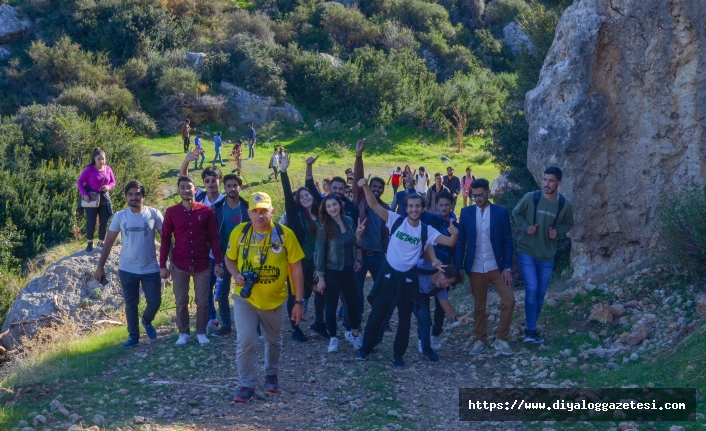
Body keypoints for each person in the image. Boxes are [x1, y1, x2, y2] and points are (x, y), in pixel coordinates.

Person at [355, 175, 458, 368]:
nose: (414, 209)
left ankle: (398, 355)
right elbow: (373, 204)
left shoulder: (426, 230)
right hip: (388, 272)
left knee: (404, 320)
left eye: (418, 206)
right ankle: (366, 348)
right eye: (410, 206)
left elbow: (450, 242)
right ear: (406, 208)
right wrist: (365, 187)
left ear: (423, 208)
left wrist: (455, 234)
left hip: (408, 277)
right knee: (377, 313)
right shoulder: (395, 219)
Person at [224, 192, 305, 402]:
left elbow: (296, 269)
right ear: (248, 212)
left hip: (274, 300)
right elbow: (229, 259)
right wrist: (235, 274)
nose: (260, 216)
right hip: (245, 298)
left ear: (272, 211)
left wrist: (298, 302)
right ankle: (247, 384)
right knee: (246, 340)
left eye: (264, 211)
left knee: (273, 340)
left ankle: (271, 375)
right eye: (255, 211)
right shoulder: (239, 233)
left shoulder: (285, 234)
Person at [94, 181, 163, 347]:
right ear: (126, 197)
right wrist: (100, 267)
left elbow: (166, 239)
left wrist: (169, 263)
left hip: (150, 267)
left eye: (137, 194)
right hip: (127, 268)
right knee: (131, 304)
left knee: (155, 301)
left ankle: (146, 321)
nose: (134, 197)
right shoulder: (120, 216)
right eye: (130, 194)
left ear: (143, 196)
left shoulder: (154, 214)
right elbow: (109, 242)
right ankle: (133, 337)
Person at [160, 175, 224, 346]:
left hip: (202, 264)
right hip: (180, 264)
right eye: (182, 187)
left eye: (189, 187)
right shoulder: (172, 212)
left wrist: (218, 262)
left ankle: (201, 332)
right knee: (181, 301)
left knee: (202, 301)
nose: (186, 190)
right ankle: (184, 333)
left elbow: (214, 237)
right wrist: (163, 265)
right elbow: (166, 238)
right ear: (178, 190)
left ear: (195, 189)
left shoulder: (206, 211)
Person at [455, 178, 516, 357]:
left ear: (488, 192)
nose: (478, 199)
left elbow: (507, 241)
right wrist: (458, 267)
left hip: (496, 267)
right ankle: (480, 340)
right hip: (474, 267)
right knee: (479, 306)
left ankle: (502, 339)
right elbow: (461, 242)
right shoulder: (465, 213)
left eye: (481, 195)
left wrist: (507, 268)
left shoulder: (501, 212)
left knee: (509, 300)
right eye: (474, 196)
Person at [513, 167, 574, 343]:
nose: (546, 184)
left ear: (559, 182)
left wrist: (559, 233)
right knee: (532, 288)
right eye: (545, 180)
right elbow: (516, 212)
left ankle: (530, 326)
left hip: (547, 254)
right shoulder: (532, 197)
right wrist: (526, 228)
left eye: (551, 180)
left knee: (540, 292)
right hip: (527, 251)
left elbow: (568, 223)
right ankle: (531, 331)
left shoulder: (564, 205)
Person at [279, 154, 323, 342]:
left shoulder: (321, 213)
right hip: (298, 260)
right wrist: (283, 171)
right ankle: (295, 329)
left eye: (307, 195)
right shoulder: (295, 215)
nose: (305, 197)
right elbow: (288, 194)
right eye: (302, 196)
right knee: (297, 295)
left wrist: (309, 169)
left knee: (321, 291)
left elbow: (311, 186)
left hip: (317, 261)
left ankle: (319, 323)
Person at [315, 194, 366, 353]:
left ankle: (355, 334)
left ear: (340, 205)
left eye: (334, 204)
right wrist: (321, 278)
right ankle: (333, 338)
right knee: (330, 307)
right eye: (328, 206)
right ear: (325, 209)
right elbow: (320, 254)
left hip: (349, 269)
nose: (332, 208)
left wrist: (358, 236)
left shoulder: (349, 221)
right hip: (332, 272)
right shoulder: (324, 228)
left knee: (353, 304)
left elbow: (355, 244)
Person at [352, 139, 391, 331]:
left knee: (383, 289)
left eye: (379, 188)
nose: (376, 190)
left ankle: (381, 322)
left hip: (377, 256)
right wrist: (359, 156)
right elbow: (358, 177)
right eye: (373, 186)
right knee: (357, 292)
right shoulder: (360, 198)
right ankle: (356, 323)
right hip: (360, 253)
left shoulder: (385, 208)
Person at [209, 173, 250, 337]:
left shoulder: (247, 207)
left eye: (235, 185)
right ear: (224, 187)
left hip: (245, 257)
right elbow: (213, 237)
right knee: (222, 293)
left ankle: (253, 326)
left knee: (249, 291)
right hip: (224, 257)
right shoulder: (217, 209)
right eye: (229, 186)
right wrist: (218, 261)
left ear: (240, 187)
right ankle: (226, 325)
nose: (232, 188)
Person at [417, 191, 458, 353]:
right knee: (423, 305)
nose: (444, 208)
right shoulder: (430, 219)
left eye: (447, 205)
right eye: (441, 205)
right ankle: (423, 336)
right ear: (436, 205)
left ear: (451, 205)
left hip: (446, 270)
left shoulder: (456, 223)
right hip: (429, 263)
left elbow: (458, 245)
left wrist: (456, 268)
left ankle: (435, 334)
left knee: (441, 303)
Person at [415, 259, 467, 361]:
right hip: (402, 286)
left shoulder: (441, 289)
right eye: (445, 277)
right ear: (440, 270)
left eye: (449, 283)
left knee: (424, 316)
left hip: (416, 296)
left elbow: (448, 308)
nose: (444, 283)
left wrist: (458, 318)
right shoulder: (427, 266)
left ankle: (425, 347)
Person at [77, 147, 116, 252]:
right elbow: (79, 182)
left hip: (104, 199)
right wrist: (84, 194)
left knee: (104, 221)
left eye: (103, 159)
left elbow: (113, 181)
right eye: (99, 159)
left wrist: (109, 187)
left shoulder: (108, 169)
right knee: (91, 221)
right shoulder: (88, 169)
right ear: (94, 159)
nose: (102, 161)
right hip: (91, 199)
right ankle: (90, 242)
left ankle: (101, 242)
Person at [306, 160, 359, 226]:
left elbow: (355, 230)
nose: (337, 191)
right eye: (335, 188)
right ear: (330, 188)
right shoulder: (322, 204)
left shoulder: (352, 208)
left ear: (345, 190)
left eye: (340, 189)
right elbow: (310, 187)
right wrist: (309, 166)